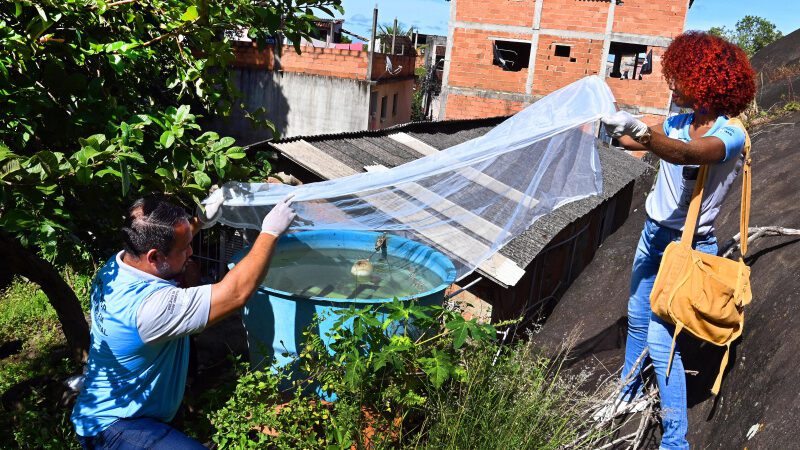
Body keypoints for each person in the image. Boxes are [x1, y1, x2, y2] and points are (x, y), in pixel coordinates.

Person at [599, 31, 755, 450]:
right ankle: (627, 396)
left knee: (660, 341)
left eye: (680, 76)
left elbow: (688, 154)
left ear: (703, 79)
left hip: (688, 247)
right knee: (636, 315)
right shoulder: (678, 121)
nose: (674, 85)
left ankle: (674, 440)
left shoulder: (731, 133)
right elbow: (637, 138)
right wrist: (615, 126)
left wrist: (645, 136)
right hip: (653, 235)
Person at [71, 194, 296, 449]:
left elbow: (160, 239)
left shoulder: (118, 266)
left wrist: (197, 222)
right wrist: (270, 232)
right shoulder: (151, 309)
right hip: (117, 425)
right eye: (185, 247)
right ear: (154, 257)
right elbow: (235, 293)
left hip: (128, 404)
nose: (191, 251)